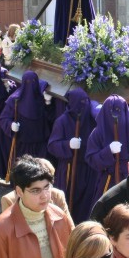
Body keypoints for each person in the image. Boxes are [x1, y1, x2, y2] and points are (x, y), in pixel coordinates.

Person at [85, 94, 129, 210]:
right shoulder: (97, 133)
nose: (115, 115)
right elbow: (91, 159)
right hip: (108, 180)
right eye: (111, 111)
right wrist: (108, 152)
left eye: (119, 110)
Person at [48, 87, 99, 224]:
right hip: (70, 169)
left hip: (89, 169)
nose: (83, 105)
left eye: (85, 101)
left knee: (87, 201)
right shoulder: (62, 121)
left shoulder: (92, 119)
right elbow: (52, 145)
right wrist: (67, 145)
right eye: (80, 102)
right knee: (71, 199)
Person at [0, 70, 53, 164]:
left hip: (40, 144)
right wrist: (11, 125)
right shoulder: (14, 100)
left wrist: (48, 104)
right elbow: (4, 118)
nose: (30, 85)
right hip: (22, 143)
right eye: (28, 82)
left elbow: (48, 118)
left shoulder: (41, 98)